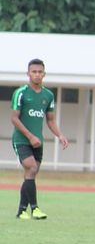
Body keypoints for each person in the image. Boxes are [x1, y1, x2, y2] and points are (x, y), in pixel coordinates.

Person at [10, 59, 69, 219]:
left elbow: (50, 120)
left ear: (44, 74)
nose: (37, 74)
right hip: (22, 140)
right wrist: (30, 136)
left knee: (30, 174)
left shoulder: (48, 95)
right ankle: (35, 209)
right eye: (34, 72)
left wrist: (60, 135)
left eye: (40, 72)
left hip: (38, 142)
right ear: (28, 73)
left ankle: (22, 211)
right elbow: (14, 118)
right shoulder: (21, 93)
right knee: (32, 168)